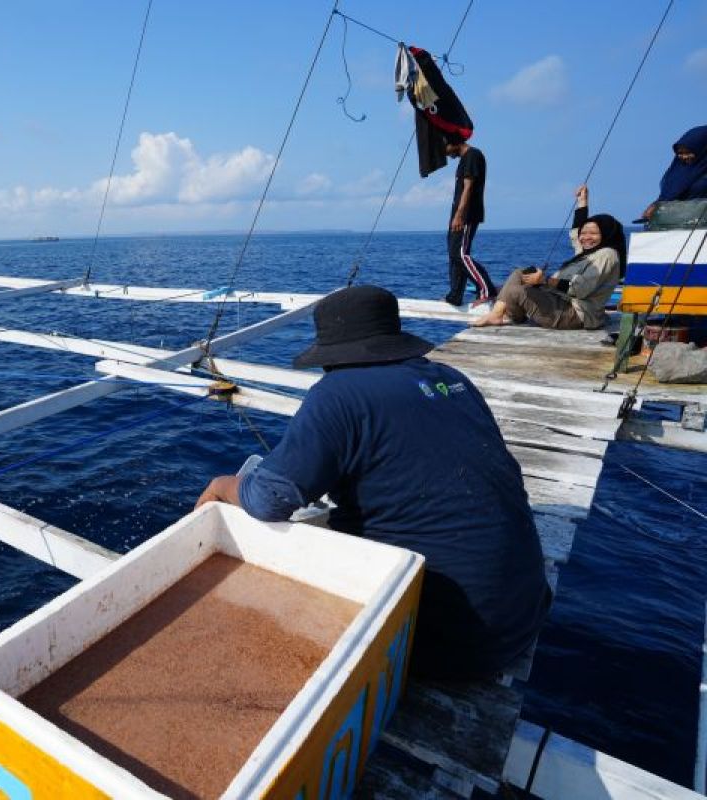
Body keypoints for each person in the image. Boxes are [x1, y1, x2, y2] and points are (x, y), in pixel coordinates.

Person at [195, 285, 550, 680]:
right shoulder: (453, 378)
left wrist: (220, 486)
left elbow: (268, 499)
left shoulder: (337, 394)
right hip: (524, 612)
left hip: (453, 641)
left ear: (331, 356)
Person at [472, 185, 623, 329]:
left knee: (515, 291)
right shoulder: (589, 253)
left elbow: (580, 290)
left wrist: (545, 280)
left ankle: (502, 314)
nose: (586, 237)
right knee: (520, 273)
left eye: (593, 233)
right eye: (584, 233)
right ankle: (499, 314)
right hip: (561, 302)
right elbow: (576, 234)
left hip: (576, 315)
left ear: (606, 234)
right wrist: (583, 201)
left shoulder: (607, 255)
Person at [443, 133, 496, 308]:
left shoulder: (473, 155)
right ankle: (455, 296)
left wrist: (459, 215)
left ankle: (487, 291)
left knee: (460, 254)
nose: (445, 153)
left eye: (445, 148)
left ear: (453, 142)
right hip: (459, 213)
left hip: (466, 214)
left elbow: (468, 188)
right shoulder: (464, 158)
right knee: (454, 254)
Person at [640, 125, 707, 221]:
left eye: (688, 152)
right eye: (680, 153)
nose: (684, 157)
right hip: (672, 225)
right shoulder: (676, 170)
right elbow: (668, 195)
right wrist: (656, 205)